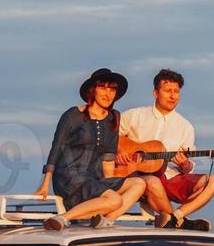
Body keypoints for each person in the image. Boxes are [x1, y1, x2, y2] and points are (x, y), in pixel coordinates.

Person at [34, 68, 146, 231]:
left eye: (112, 89)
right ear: (92, 90)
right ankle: (62, 218)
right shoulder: (73, 115)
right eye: (103, 88)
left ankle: (105, 220)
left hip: (94, 177)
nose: (108, 94)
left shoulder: (114, 117)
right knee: (115, 200)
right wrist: (45, 183)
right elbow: (57, 147)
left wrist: (109, 185)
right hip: (70, 176)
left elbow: (108, 158)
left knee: (139, 183)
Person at [120, 68, 214, 231]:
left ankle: (176, 217)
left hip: (171, 179)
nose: (173, 96)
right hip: (138, 176)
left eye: (176, 91)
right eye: (167, 91)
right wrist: (120, 152)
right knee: (152, 182)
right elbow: (109, 137)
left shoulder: (185, 127)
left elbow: (189, 168)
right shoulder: (134, 116)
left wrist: (184, 164)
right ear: (155, 93)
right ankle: (182, 224)